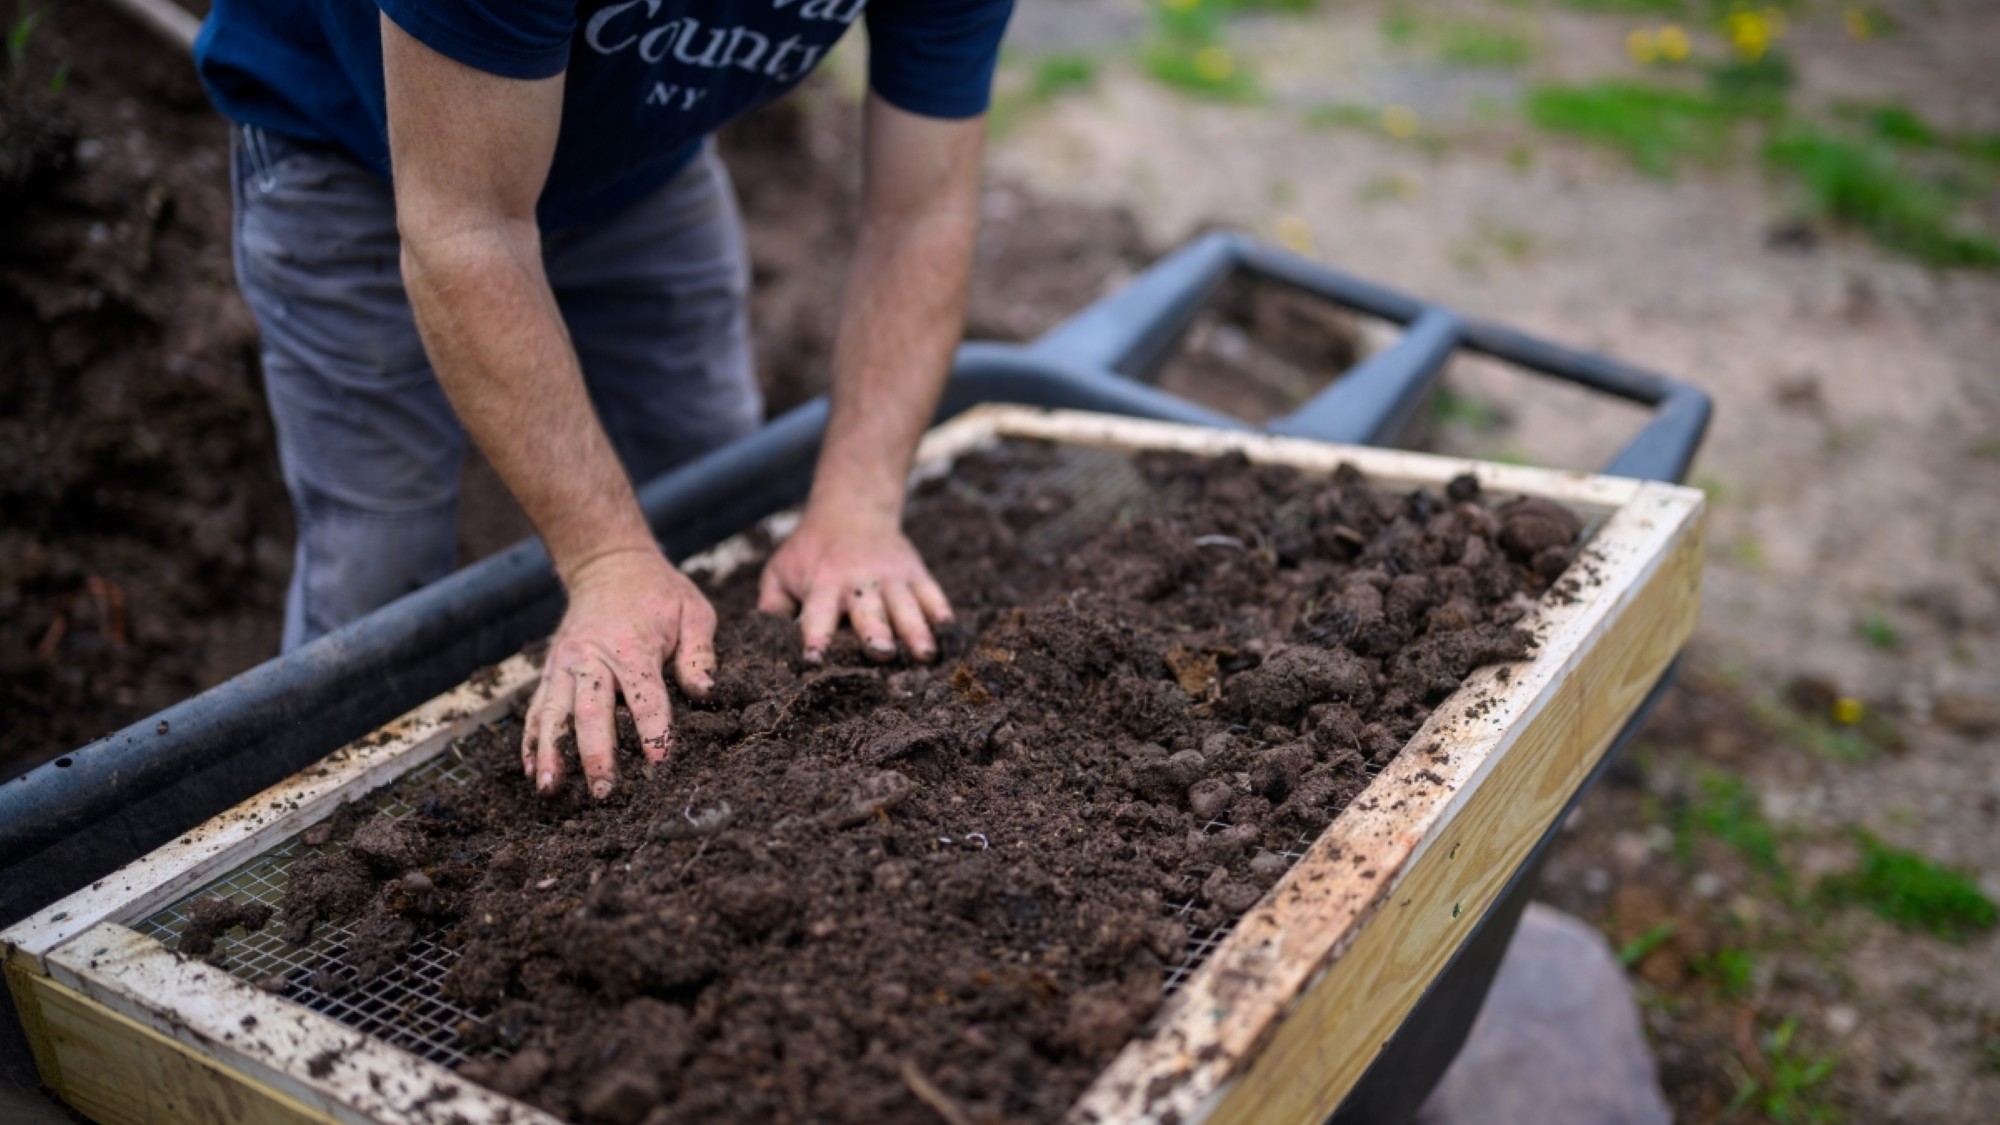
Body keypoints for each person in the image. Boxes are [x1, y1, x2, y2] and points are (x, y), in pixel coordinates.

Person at [193, 0, 1015, 800]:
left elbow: (923, 213)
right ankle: (306, 875)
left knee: (714, 495)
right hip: (354, 148)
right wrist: (605, 556)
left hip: (639, 163)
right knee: (377, 572)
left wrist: (861, 505)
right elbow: (465, 226)